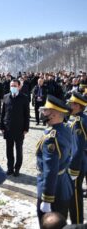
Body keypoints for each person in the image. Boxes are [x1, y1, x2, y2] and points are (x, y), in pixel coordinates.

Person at [36, 95, 73, 225]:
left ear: (55, 114)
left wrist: (47, 199)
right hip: (63, 185)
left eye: (46, 110)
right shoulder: (65, 129)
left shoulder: (52, 139)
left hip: (53, 191)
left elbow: (50, 170)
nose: (43, 112)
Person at [0, 79, 30, 176]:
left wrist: (26, 128)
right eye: (11, 85)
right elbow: (3, 113)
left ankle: (17, 168)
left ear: (19, 86)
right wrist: (2, 126)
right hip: (8, 128)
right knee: (9, 150)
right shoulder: (6, 97)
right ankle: (10, 168)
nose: (13, 87)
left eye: (15, 85)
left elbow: (27, 114)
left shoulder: (24, 98)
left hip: (19, 129)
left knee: (18, 150)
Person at [67, 92, 87, 224]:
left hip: (77, 165)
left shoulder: (78, 122)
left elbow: (78, 148)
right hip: (80, 161)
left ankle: (77, 224)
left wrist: (73, 170)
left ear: (77, 106)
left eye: (71, 103)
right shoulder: (80, 118)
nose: (68, 105)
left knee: (75, 197)